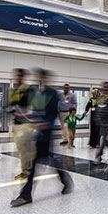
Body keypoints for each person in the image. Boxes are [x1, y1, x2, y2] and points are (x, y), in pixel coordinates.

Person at [11, 68, 73, 207]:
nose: (40, 79)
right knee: (48, 160)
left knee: (34, 165)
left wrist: (44, 124)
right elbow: (34, 111)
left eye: (42, 77)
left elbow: (52, 114)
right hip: (38, 134)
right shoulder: (39, 93)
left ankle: (26, 195)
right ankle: (66, 181)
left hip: (46, 134)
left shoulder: (53, 94)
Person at [9, 68, 35, 181]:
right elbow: (11, 106)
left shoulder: (29, 90)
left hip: (27, 124)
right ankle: (29, 167)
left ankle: (26, 170)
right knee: (22, 148)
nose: (18, 78)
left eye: (20, 75)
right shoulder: (14, 90)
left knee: (24, 147)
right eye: (16, 75)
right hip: (17, 123)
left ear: (24, 77)